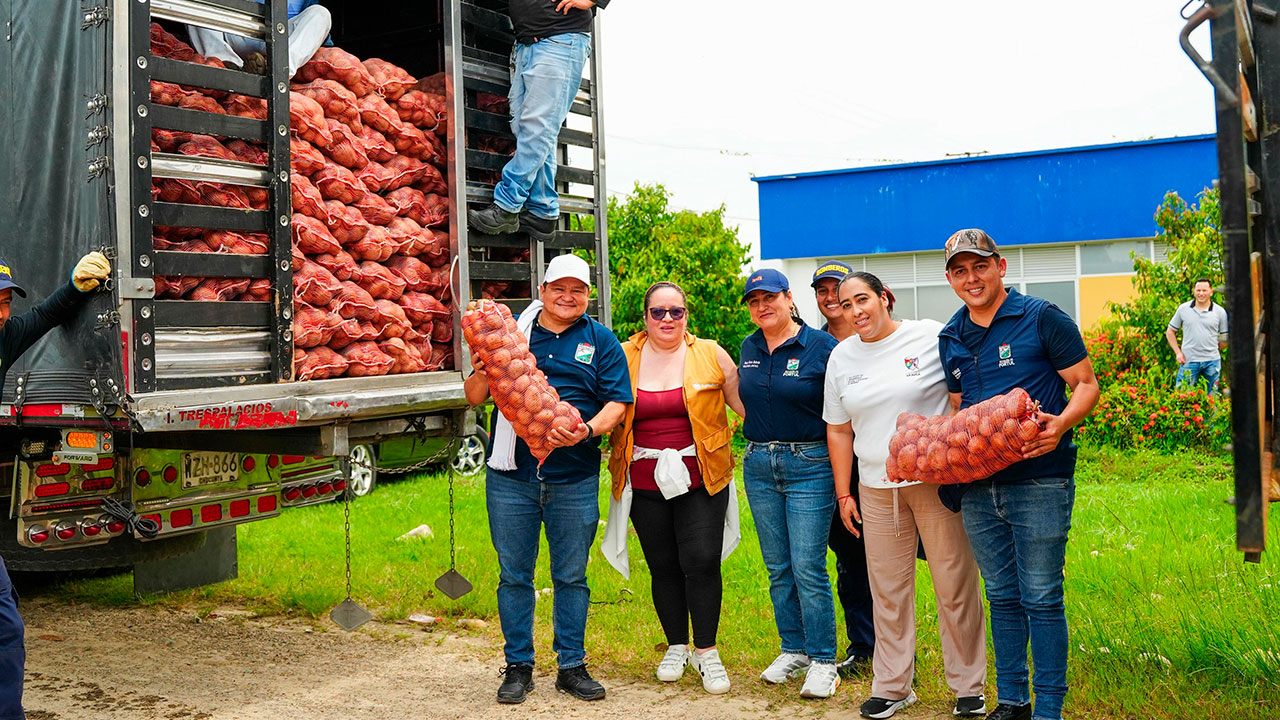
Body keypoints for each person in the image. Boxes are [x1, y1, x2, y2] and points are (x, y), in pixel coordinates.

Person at [937, 229, 1100, 720]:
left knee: (1042, 594)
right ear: (950, 278)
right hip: (980, 489)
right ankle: (1013, 701)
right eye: (960, 270)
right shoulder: (951, 337)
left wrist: (1062, 423)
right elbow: (957, 412)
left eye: (980, 266)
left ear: (1000, 266)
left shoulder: (1041, 318)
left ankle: (1049, 707)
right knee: (1002, 596)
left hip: (1040, 480)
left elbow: (1086, 385)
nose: (972, 278)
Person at [463, 254, 631, 705]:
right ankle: (518, 666)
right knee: (514, 575)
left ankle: (571, 666)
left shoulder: (602, 341)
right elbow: (474, 396)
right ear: (543, 291)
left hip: (573, 478)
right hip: (511, 476)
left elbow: (617, 402)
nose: (568, 296)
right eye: (560, 287)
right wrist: (480, 371)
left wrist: (587, 430)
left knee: (571, 576)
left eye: (578, 289)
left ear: (588, 296)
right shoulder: (513, 335)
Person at [822, 271, 987, 719]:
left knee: (954, 584)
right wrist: (844, 493)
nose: (856, 311)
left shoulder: (929, 335)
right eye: (847, 303)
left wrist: (954, 446)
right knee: (888, 590)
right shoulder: (841, 358)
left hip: (933, 482)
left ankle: (969, 688)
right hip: (874, 488)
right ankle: (893, 685)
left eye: (863, 299)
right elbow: (838, 430)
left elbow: (960, 394)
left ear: (884, 298)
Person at [603, 281, 745, 694]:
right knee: (662, 565)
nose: (667, 319)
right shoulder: (623, 355)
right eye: (658, 312)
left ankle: (707, 651)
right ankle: (676, 645)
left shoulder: (712, 353)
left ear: (687, 316)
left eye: (676, 312)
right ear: (644, 318)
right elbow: (602, 402)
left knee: (701, 560)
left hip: (702, 474)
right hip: (643, 478)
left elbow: (745, 406)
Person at [0, 251, 112, 720]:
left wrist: (76, 285)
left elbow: (46, 315)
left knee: (6, 628)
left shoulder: (4, 339)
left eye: (6, 301)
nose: (2, 312)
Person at [737, 268, 841, 699]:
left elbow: (841, 409)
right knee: (778, 567)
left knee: (807, 566)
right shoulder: (749, 346)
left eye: (770, 297)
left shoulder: (821, 346)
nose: (763, 306)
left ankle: (823, 660)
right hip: (759, 463)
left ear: (788, 297)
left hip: (809, 463)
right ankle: (793, 648)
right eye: (754, 300)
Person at [467, 0, 611, 243]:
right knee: (530, 130)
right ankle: (543, 210)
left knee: (537, 129)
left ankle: (507, 205)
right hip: (529, 43)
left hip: (559, 41)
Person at [810, 260, 877, 677]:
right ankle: (865, 646)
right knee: (851, 559)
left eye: (840, 288)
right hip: (835, 467)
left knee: (893, 561)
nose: (831, 297)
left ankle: (897, 647)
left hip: (882, 462)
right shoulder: (811, 346)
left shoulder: (879, 337)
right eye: (823, 290)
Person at [187, 0, 332, 77]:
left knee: (321, 13)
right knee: (196, 4)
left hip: (282, 43)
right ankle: (229, 65)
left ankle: (279, 70)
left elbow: (314, 27)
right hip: (238, 31)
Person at [1165, 278, 1228, 395]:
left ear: (1211, 292)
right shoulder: (1183, 309)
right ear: (1194, 291)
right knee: (1182, 396)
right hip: (1189, 360)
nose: (1201, 293)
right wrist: (1178, 352)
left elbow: (1226, 337)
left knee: (1212, 398)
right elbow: (1170, 331)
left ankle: (1212, 414)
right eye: (1198, 290)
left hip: (1212, 362)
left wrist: (1212, 347)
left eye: (1204, 290)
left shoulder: (1220, 312)